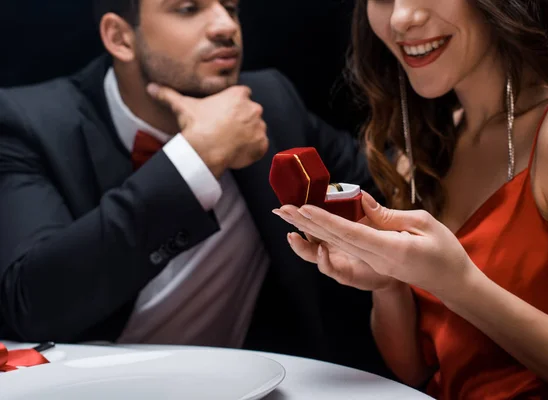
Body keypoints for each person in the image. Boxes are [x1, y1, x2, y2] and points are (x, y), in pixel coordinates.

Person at [0, 0, 388, 375]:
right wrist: (196, 157)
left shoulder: (269, 103)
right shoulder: (29, 123)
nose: (225, 25)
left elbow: (386, 186)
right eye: (188, 8)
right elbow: (33, 304)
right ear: (120, 37)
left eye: (231, 7)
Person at [274, 0, 548, 398]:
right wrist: (389, 282)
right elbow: (414, 370)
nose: (400, 18)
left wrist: (459, 286)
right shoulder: (426, 151)